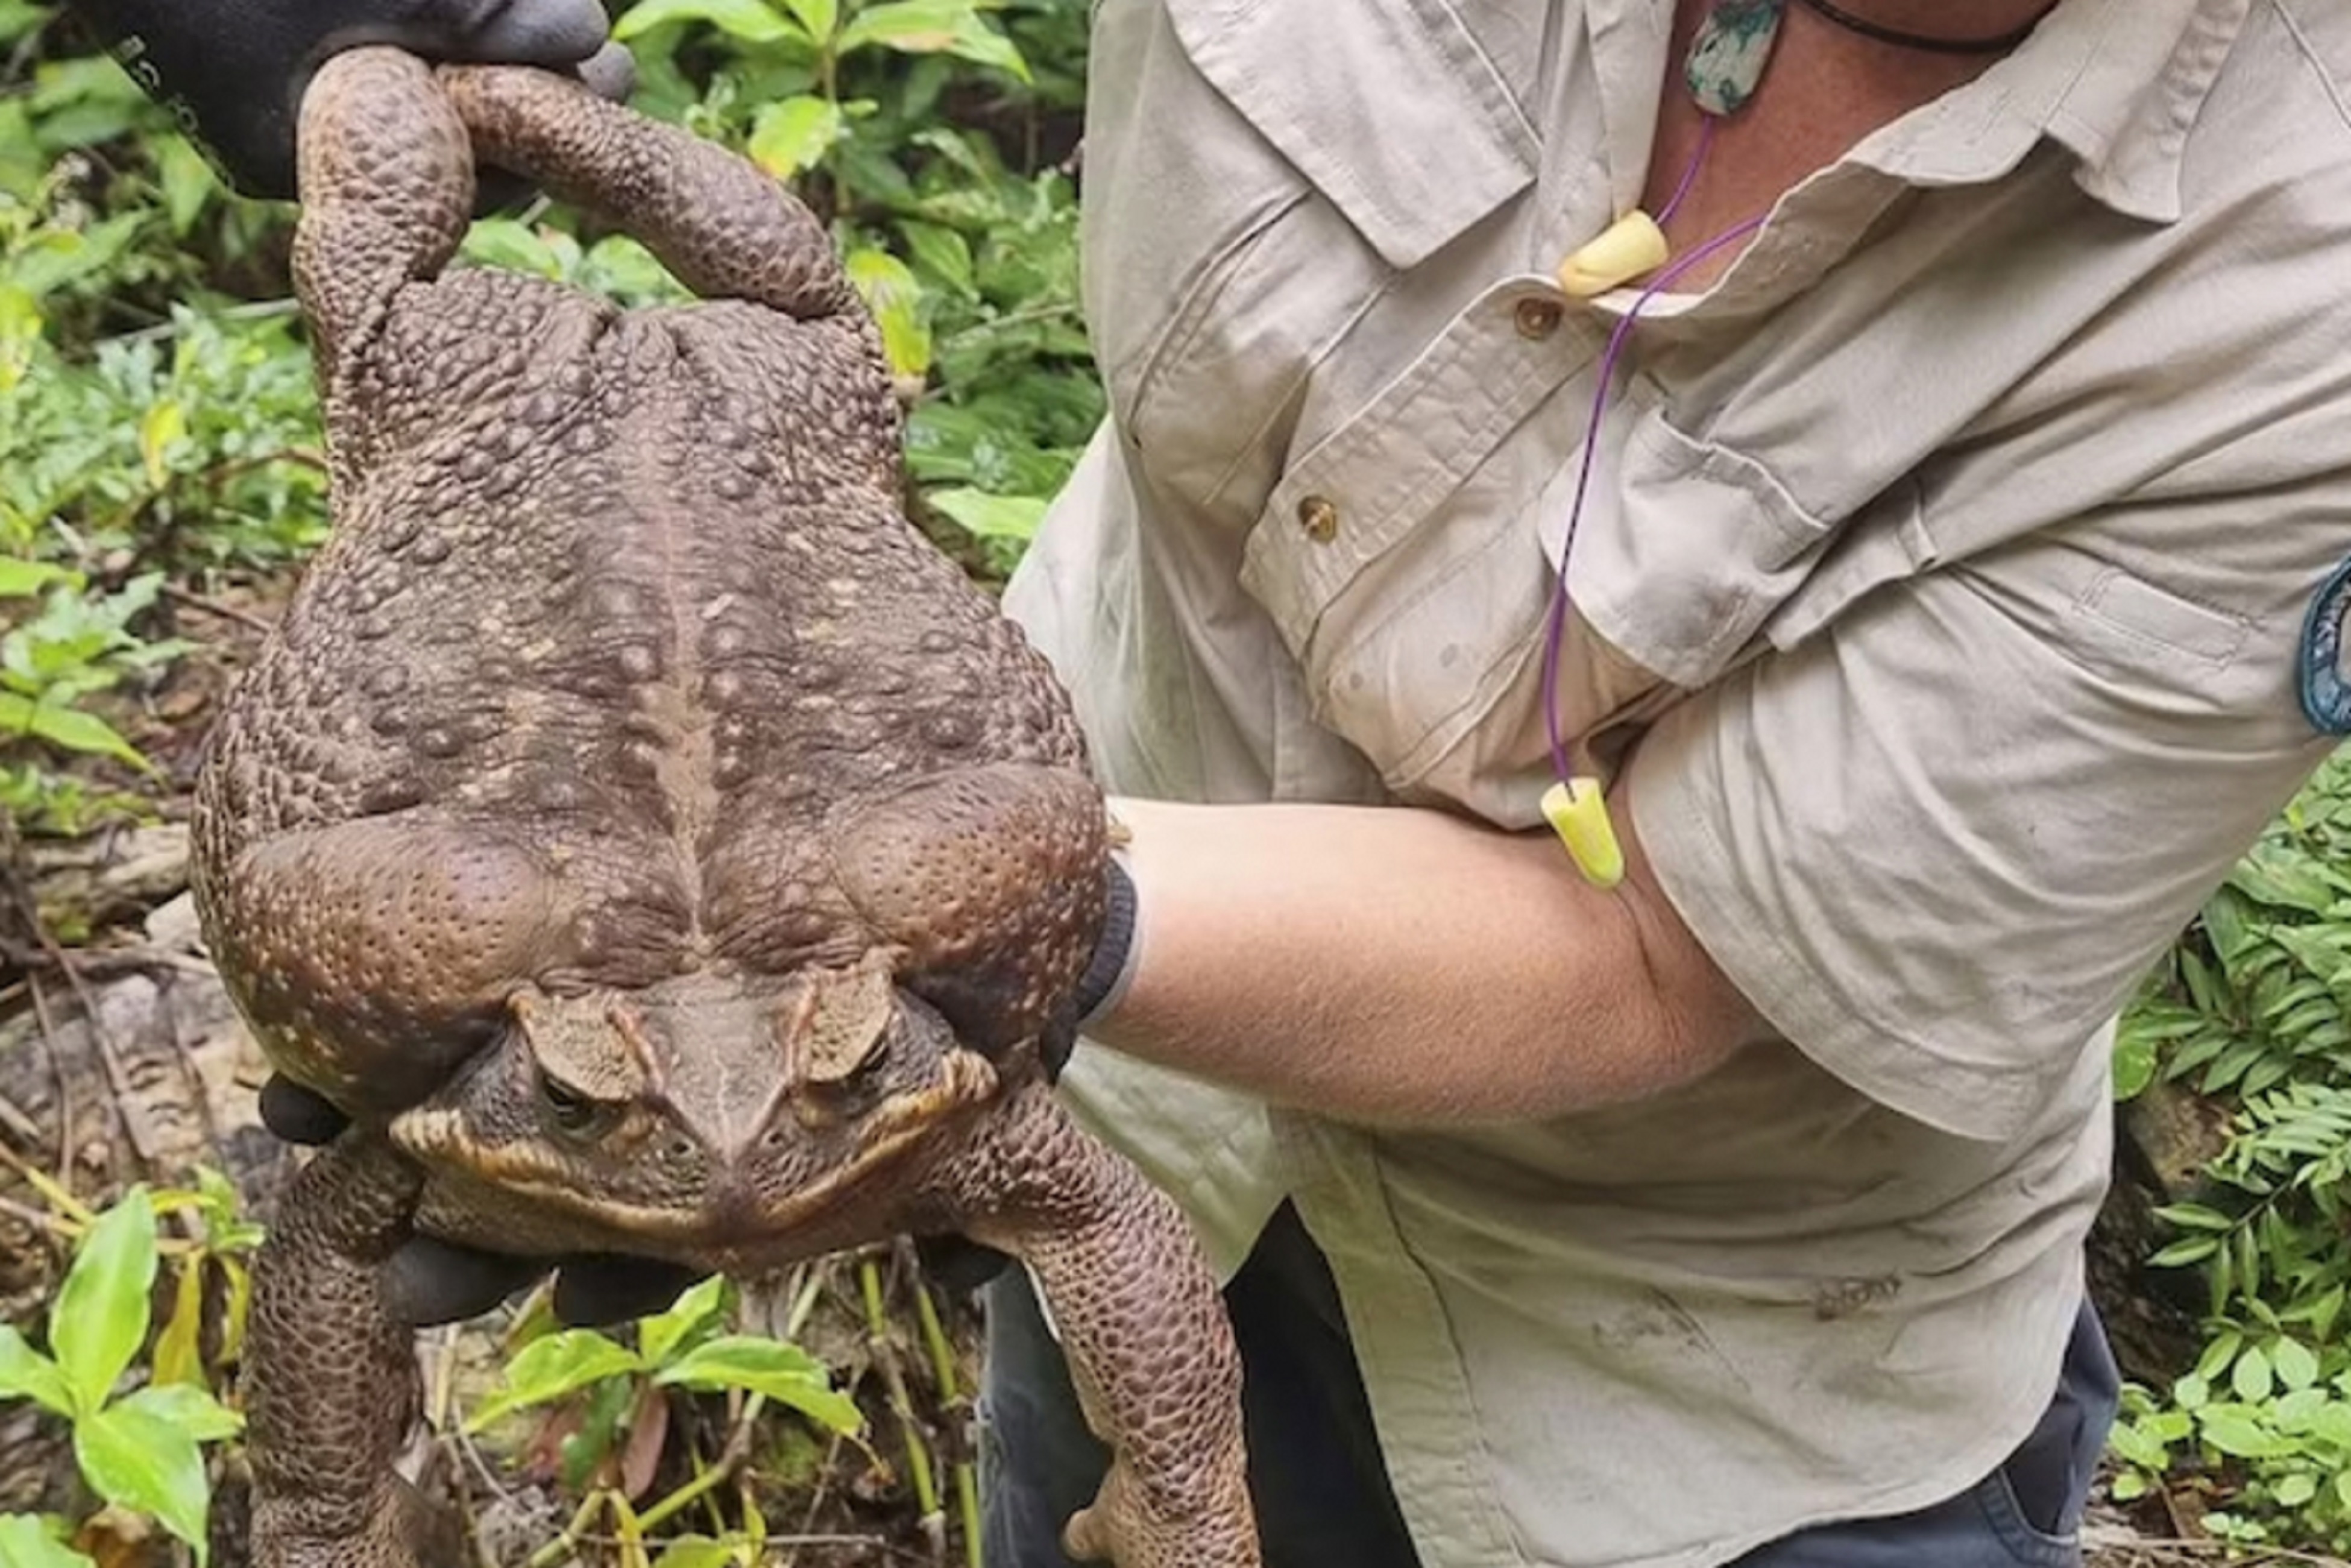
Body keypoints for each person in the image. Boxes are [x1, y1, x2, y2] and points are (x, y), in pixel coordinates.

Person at [71, 0, 2351, 1564]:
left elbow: (1663, 951)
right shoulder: (458, 397)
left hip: (1702, 1385)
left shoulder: (2297, 291)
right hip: (1093, 1081)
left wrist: (976, 954)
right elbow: (341, 1235)